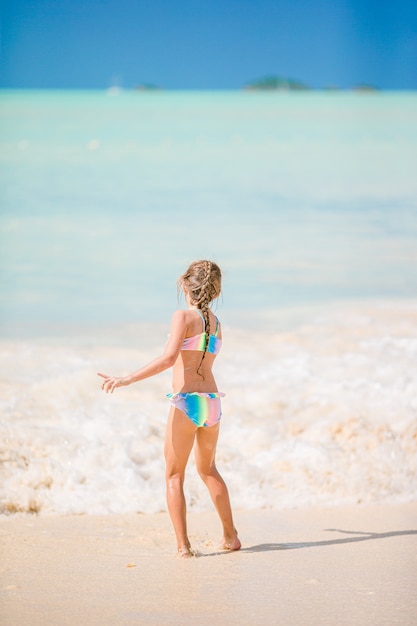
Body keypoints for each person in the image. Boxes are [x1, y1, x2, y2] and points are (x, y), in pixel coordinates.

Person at [98, 260, 241, 558]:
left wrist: (125, 379)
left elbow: (167, 359)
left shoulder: (183, 316)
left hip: (187, 401)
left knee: (174, 475)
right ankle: (231, 537)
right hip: (212, 401)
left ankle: (183, 547)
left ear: (186, 285)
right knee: (209, 469)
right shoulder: (216, 323)